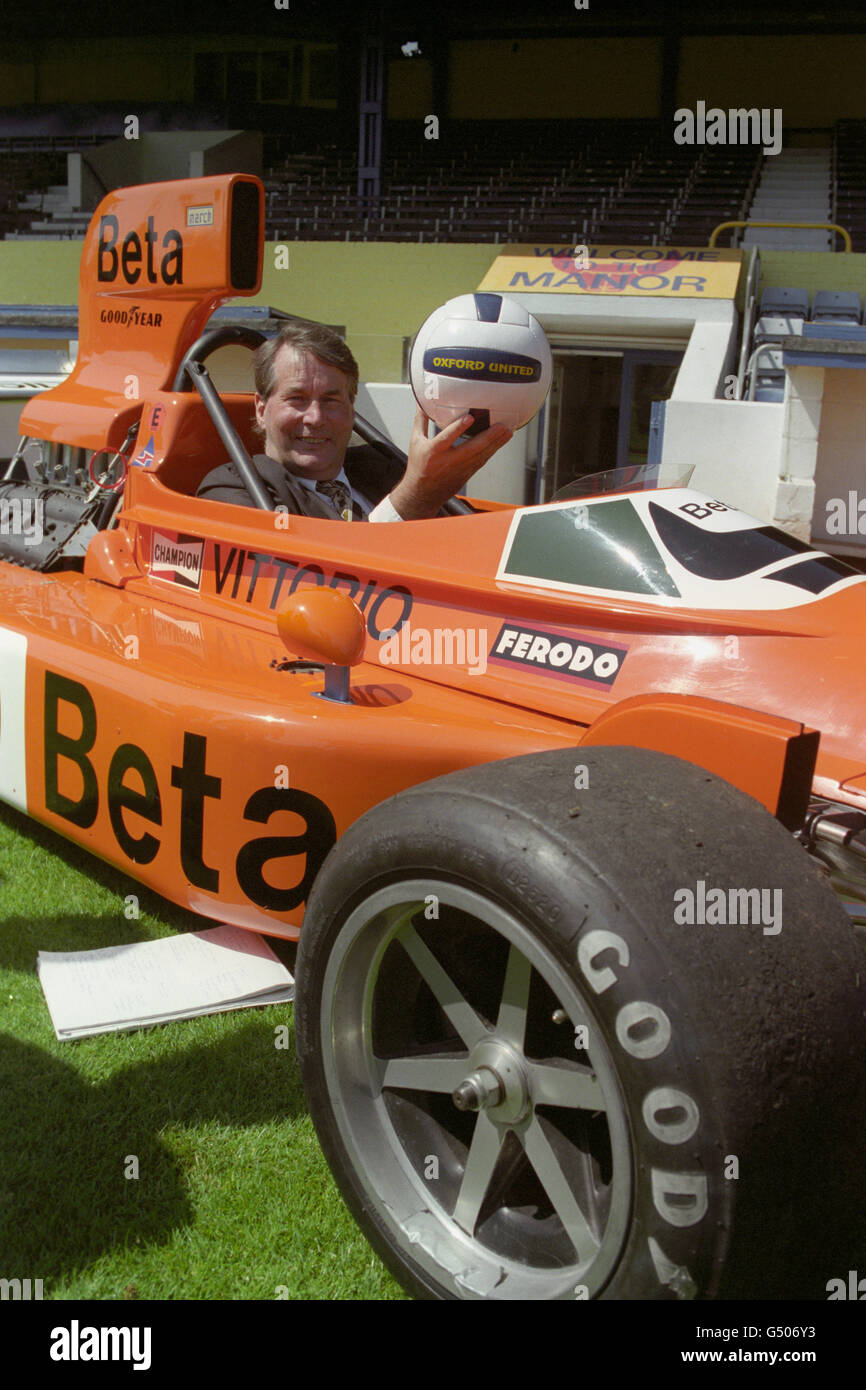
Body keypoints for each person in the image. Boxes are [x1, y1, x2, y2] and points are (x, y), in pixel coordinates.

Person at [196, 321, 512, 520]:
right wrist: (416, 496)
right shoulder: (231, 491)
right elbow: (308, 585)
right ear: (261, 410)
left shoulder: (383, 468)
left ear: (351, 408)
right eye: (297, 399)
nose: (315, 418)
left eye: (331, 400)